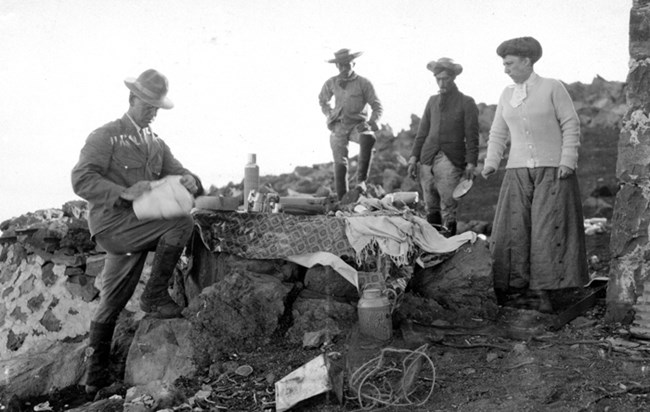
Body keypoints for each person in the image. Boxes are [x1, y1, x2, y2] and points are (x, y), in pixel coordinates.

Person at [71, 69, 203, 395]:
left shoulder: (155, 144)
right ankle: (155, 296)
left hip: (139, 227)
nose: (153, 114)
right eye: (148, 107)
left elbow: (180, 171)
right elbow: (81, 180)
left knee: (111, 304)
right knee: (181, 224)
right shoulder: (107, 136)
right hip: (112, 225)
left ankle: (94, 379)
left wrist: (190, 180)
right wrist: (123, 192)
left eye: (156, 109)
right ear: (132, 100)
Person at [481, 37, 588, 313]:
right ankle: (518, 291)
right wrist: (491, 162)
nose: (505, 69)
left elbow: (570, 124)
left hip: (553, 171)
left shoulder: (552, 87)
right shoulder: (507, 94)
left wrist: (567, 160)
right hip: (517, 171)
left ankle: (550, 292)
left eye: (510, 63)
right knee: (515, 229)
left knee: (547, 229)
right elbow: (498, 132)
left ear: (527, 61)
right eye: (504, 64)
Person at [407, 58, 479, 236]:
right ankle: (433, 247)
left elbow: (472, 136)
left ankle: (449, 249)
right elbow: (422, 132)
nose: (441, 82)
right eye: (438, 78)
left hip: (451, 158)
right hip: (427, 159)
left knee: (448, 205)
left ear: (453, 78)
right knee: (430, 205)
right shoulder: (432, 101)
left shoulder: (466, 102)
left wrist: (471, 163)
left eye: (445, 78)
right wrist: (413, 158)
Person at [319, 48, 383, 200]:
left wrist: (371, 122)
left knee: (368, 137)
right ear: (337, 66)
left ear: (353, 63)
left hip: (357, 125)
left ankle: (361, 182)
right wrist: (329, 113)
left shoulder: (364, 83)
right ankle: (343, 199)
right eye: (340, 65)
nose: (343, 68)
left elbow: (377, 106)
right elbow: (322, 100)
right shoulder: (331, 83)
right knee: (339, 161)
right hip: (338, 125)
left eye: (347, 65)